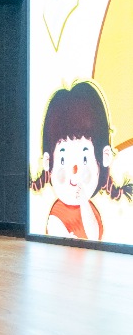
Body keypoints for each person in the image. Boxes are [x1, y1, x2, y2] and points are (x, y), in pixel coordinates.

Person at [30, 80, 132, 240]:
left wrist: (84, 201)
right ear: (48, 162)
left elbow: (94, 235)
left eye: (84, 159)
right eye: (63, 160)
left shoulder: (91, 210)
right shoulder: (58, 211)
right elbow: (56, 232)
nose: (74, 172)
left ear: (104, 157)